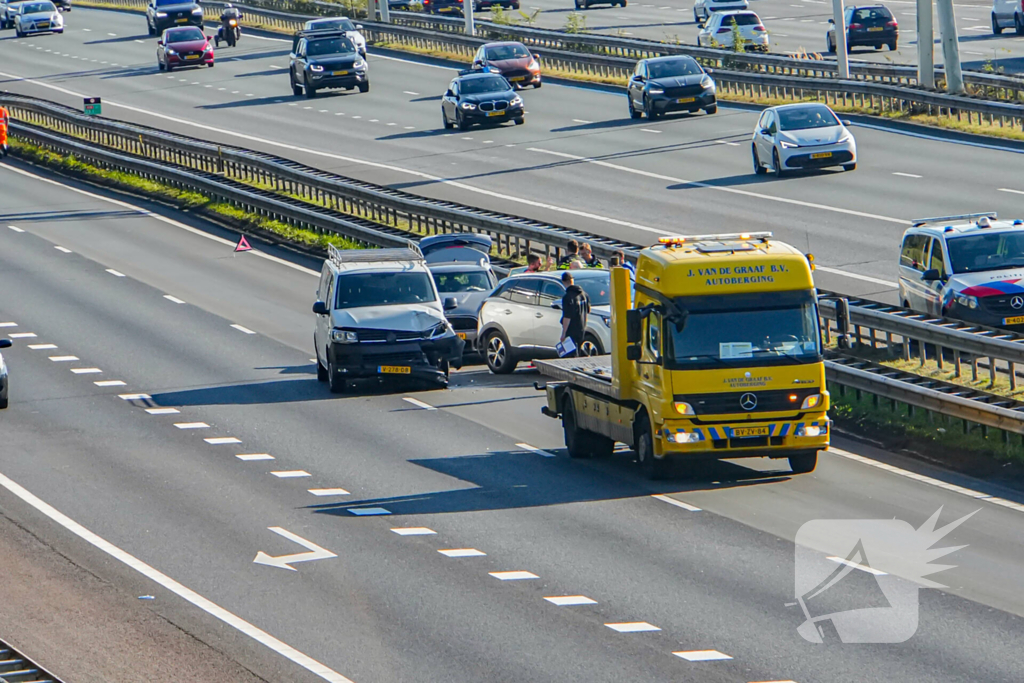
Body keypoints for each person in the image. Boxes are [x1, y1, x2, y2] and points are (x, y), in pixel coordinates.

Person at [559, 271, 589, 357]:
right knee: (579, 351)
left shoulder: (568, 297)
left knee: (571, 355)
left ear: (564, 282)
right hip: (582, 328)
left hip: (572, 330)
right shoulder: (584, 295)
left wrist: (563, 333)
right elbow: (588, 310)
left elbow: (567, 316)